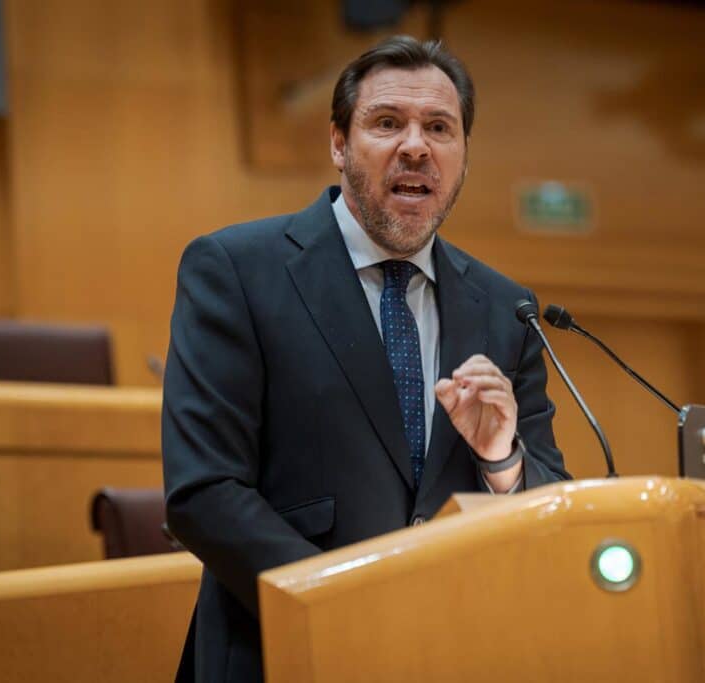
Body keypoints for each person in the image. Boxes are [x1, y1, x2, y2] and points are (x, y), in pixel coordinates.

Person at [162, 35, 570, 682]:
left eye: (439, 127)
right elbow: (204, 492)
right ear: (338, 144)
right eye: (386, 123)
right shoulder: (238, 270)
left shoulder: (505, 308)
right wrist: (349, 605)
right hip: (280, 653)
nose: (416, 146)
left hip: (452, 656)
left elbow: (553, 504)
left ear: (463, 157)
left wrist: (503, 461)